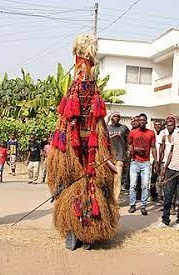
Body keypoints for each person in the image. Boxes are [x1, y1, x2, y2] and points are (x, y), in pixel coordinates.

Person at [47, 34, 118, 251]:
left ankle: (89, 233)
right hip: (72, 142)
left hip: (93, 146)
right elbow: (69, 116)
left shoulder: (90, 87)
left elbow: (96, 116)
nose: (84, 67)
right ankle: (72, 230)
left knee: (95, 185)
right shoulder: (76, 87)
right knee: (68, 182)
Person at [128, 113, 158, 215]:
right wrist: (134, 150)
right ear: (137, 121)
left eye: (143, 120)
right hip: (135, 161)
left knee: (145, 185)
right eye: (139, 120)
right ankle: (132, 205)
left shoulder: (151, 133)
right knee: (133, 185)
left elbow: (153, 147)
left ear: (146, 121)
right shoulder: (132, 132)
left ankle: (143, 206)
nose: (141, 122)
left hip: (146, 162)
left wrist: (156, 161)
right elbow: (129, 145)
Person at [156, 126, 179, 229]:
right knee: (167, 197)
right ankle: (165, 220)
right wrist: (165, 167)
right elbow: (171, 152)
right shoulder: (175, 134)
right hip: (171, 169)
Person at [107, 112, 130, 201]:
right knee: (109, 179)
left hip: (120, 157)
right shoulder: (107, 128)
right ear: (111, 118)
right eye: (115, 116)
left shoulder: (124, 128)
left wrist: (128, 151)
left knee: (118, 179)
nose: (116, 118)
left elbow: (128, 141)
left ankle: (115, 200)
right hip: (109, 158)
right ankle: (109, 198)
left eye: (118, 116)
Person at [150, 121, 162, 201]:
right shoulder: (151, 134)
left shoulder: (163, 134)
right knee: (152, 178)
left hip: (161, 159)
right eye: (156, 125)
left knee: (161, 178)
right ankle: (153, 195)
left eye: (159, 125)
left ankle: (161, 196)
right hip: (152, 159)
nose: (157, 126)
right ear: (154, 126)